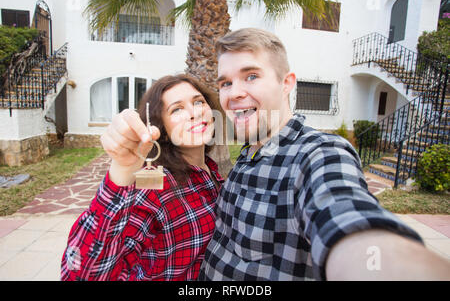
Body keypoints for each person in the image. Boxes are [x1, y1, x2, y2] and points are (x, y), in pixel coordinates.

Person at [198, 28, 450, 281]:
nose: (234, 93)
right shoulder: (249, 154)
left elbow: (345, 216)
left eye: (251, 76)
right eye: (226, 83)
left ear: (286, 83)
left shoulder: (318, 154)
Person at [61, 74, 224, 280]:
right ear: (161, 129)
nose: (194, 113)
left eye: (198, 102)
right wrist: (121, 171)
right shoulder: (156, 187)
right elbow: (85, 273)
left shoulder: (212, 171)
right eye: (177, 109)